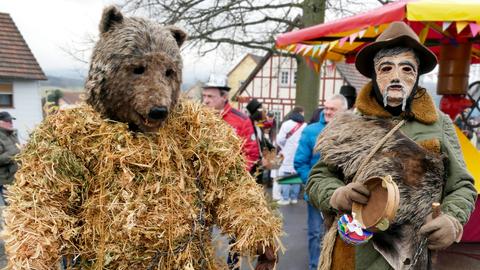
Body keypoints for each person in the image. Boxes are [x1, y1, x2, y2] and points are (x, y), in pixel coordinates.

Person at [306, 21, 476, 270]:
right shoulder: (350, 123)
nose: (396, 77)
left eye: (407, 68)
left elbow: (461, 185)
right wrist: (337, 194)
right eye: (386, 68)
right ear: (374, 75)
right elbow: (317, 179)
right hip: (353, 255)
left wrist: (452, 219)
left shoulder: (439, 124)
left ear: (417, 75)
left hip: (410, 256)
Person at [294, 95, 347, 270]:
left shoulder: (351, 131)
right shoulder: (311, 131)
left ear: (344, 111)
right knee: (316, 233)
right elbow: (300, 162)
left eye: (333, 109)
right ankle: (315, 266)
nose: (328, 112)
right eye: (326, 108)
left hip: (346, 196)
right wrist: (314, 184)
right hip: (316, 196)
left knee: (344, 233)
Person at [202, 74, 260, 173]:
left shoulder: (242, 120)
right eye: (204, 96)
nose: (205, 101)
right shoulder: (198, 118)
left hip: (228, 180)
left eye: (210, 96)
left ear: (224, 97)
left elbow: (251, 154)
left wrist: (235, 177)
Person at [276, 106, 306, 205]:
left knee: (286, 174)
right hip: (299, 153)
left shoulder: (286, 124)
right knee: (296, 174)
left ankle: (285, 198)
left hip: (287, 152)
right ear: (301, 113)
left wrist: (285, 146)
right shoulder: (305, 125)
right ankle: (294, 198)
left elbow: (279, 139)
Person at [0, 111, 20, 205]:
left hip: (17, 179)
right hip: (5, 181)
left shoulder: (12, 135)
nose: (11, 123)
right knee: (12, 208)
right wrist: (17, 151)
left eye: (11, 120)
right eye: (8, 121)